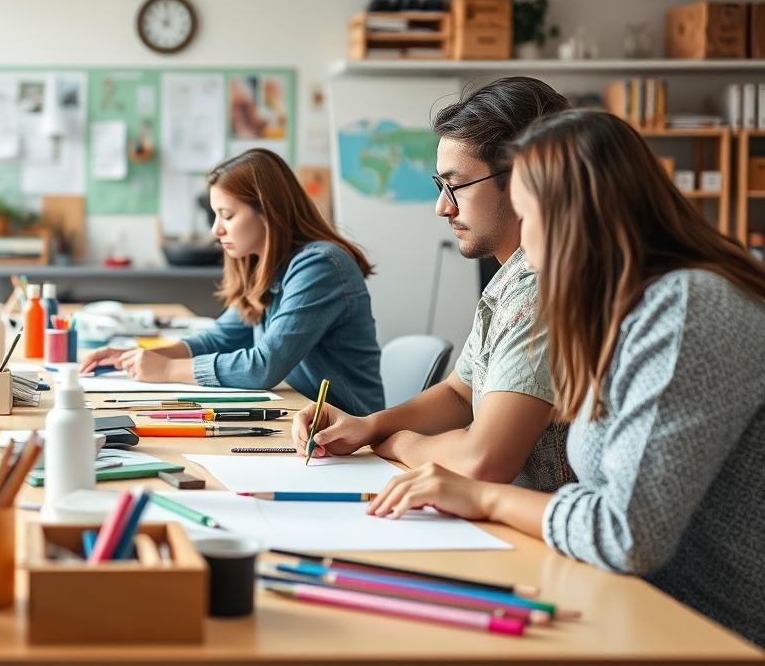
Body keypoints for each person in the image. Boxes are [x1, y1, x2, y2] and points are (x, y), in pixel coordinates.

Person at [364, 109, 765, 646]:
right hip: (631, 602)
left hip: (705, 628)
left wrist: (482, 498)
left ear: (579, 218)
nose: (523, 247)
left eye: (529, 220)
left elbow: (627, 533)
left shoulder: (685, 306)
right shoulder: (628, 310)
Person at [292, 76, 574, 491]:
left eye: (455, 186)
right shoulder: (510, 281)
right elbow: (460, 395)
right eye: (440, 187)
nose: (442, 207)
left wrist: (402, 443)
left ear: (522, 181)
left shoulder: (539, 289)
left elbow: (483, 462)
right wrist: (369, 427)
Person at [80, 148, 384, 415]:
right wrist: (140, 356)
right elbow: (219, 339)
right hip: (301, 418)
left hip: (351, 435)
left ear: (267, 212)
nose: (216, 230)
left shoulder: (319, 266)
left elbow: (263, 367)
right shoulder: (265, 265)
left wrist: (168, 369)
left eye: (226, 215)